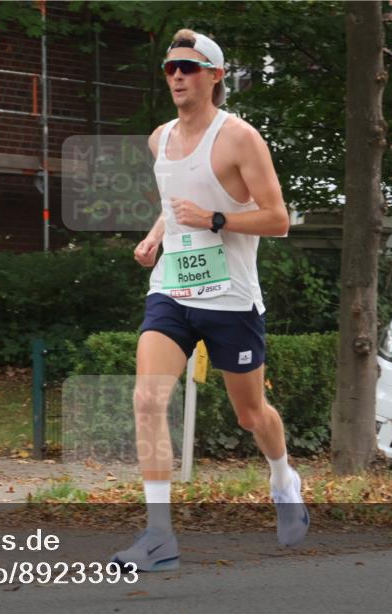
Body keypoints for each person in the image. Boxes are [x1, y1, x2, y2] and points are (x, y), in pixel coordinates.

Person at [111, 29, 309, 573]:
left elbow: (279, 220)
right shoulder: (160, 139)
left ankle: (283, 478)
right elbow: (178, 204)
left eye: (189, 68)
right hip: (172, 291)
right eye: (170, 68)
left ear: (215, 76)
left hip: (231, 298)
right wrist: (157, 235)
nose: (177, 75)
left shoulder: (239, 138)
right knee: (148, 401)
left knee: (251, 414)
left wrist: (217, 220)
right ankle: (158, 535)